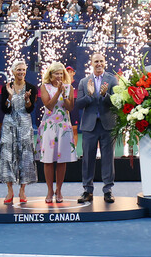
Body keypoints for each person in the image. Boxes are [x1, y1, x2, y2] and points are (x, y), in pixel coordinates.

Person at [77, 53, 117, 204]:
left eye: (101, 61)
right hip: (89, 126)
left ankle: (108, 190)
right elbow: (79, 104)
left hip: (108, 125)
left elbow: (116, 102)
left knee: (108, 158)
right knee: (88, 159)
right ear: (91, 63)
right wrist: (90, 95)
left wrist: (105, 95)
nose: (99, 64)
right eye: (96, 61)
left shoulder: (112, 80)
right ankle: (88, 190)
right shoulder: (83, 82)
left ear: (105, 63)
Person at [0, 59, 38, 204]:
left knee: (25, 156)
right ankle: (10, 190)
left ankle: (22, 190)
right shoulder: (6, 87)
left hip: (25, 125)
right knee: (7, 155)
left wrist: (28, 100)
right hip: (9, 124)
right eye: (18, 70)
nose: (21, 72)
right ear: (13, 71)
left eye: (23, 70)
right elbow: (4, 110)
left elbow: (30, 109)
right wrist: (9, 97)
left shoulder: (31, 88)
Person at [39, 61, 77, 203]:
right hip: (49, 126)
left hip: (63, 126)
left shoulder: (69, 87)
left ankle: (59, 190)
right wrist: (58, 93)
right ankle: (49, 190)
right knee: (48, 160)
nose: (59, 76)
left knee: (62, 160)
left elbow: (70, 107)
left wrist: (65, 94)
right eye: (56, 73)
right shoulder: (45, 87)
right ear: (50, 74)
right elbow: (49, 105)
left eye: (61, 73)